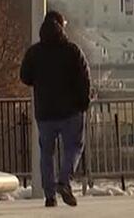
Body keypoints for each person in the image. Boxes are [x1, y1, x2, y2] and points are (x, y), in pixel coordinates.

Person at [20, 10, 91, 207]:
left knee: (46, 153)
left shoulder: (34, 52)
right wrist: (83, 101)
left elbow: (25, 77)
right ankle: (64, 181)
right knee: (73, 148)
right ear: (62, 26)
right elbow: (84, 78)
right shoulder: (72, 51)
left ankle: (50, 195)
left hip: (45, 111)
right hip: (71, 111)